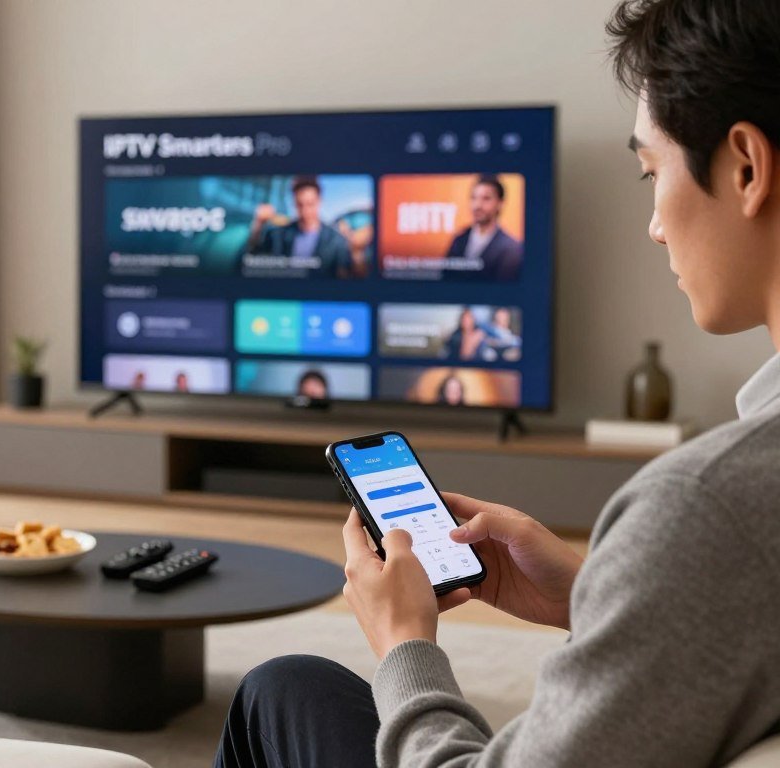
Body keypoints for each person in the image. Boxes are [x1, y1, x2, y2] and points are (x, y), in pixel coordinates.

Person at [214, 1, 780, 766]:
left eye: (652, 171)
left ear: (746, 167)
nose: (653, 223)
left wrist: (404, 646)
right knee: (290, 686)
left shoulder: (707, 504)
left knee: (272, 695)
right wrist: (598, 598)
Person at [245, 176, 354, 278]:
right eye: (299, 204)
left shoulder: (336, 240)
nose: (305, 211)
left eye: (310, 204)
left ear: (319, 202)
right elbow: (252, 261)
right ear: (294, 203)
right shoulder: (278, 235)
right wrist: (258, 224)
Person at [444, 175, 523, 281]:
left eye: (486, 199)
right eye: (474, 198)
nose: (477, 205)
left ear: (500, 203)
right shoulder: (458, 240)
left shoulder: (511, 249)